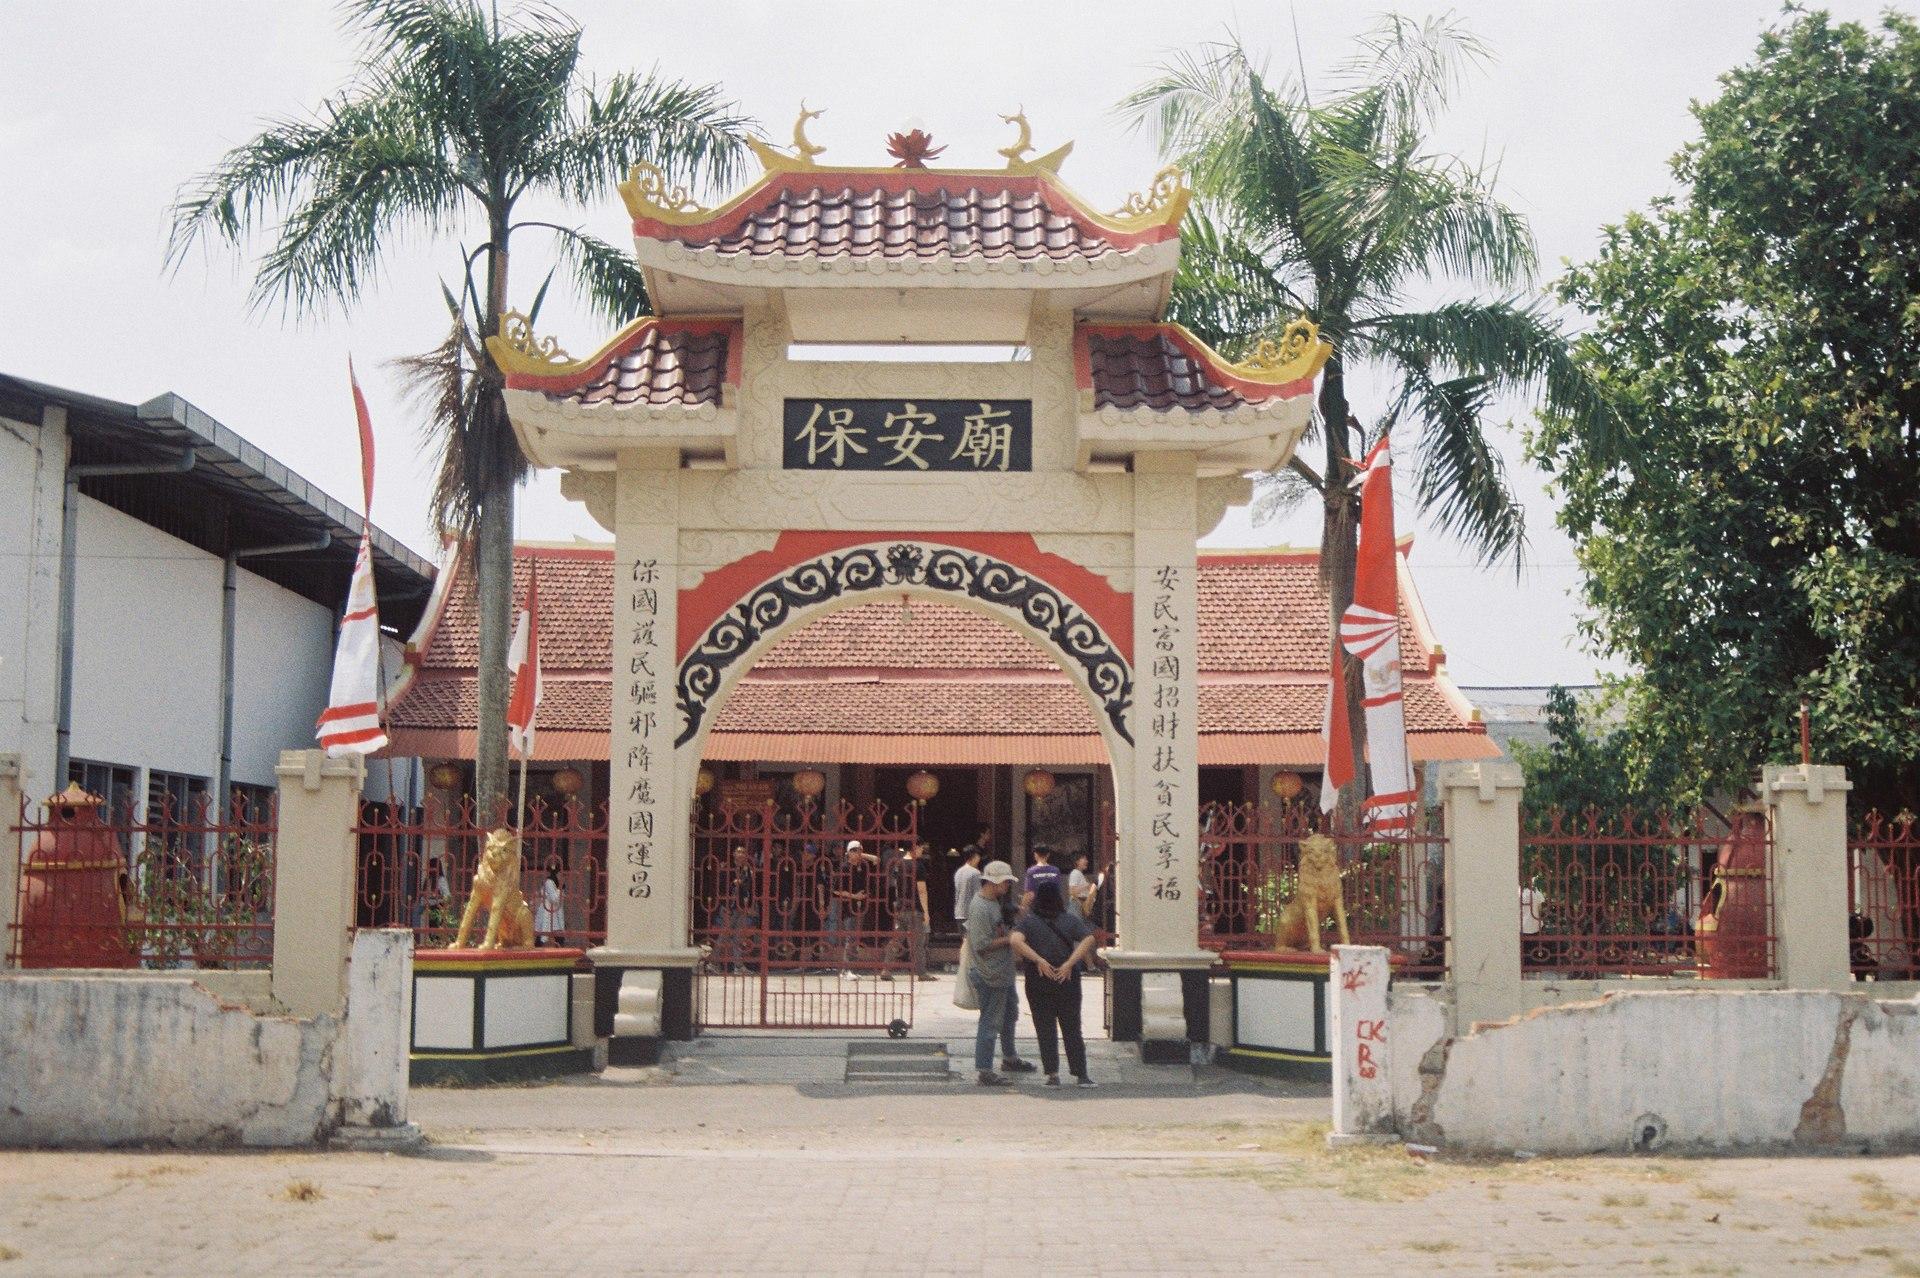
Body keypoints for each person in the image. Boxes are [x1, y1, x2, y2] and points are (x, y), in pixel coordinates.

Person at [1010, 878, 1099, 1087]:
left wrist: (1038, 959)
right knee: (1072, 1027)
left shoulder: (1029, 922)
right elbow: (1089, 939)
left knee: (1045, 1027)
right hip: (1067, 977)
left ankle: (1052, 1074)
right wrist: (1069, 963)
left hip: (1039, 977)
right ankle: (1081, 1074)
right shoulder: (1068, 920)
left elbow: (1015, 940)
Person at [966, 860, 1038, 1086]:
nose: (1008, 886)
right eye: (1006, 882)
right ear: (995, 882)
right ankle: (984, 1069)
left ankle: (1009, 1057)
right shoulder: (980, 907)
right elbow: (981, 944)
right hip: (990, 973)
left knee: (1009, 1015)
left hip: (1002, 971)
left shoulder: (994, 903)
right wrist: (1011, 940)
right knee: (990, 1021)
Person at [827, 839, 878, 976]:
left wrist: (862, 854)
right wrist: (854, 896)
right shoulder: (844, 868)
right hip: (848, 906)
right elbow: (836, 890)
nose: (857, 853)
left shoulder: (863, 866)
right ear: (848, 853)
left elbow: (876, 860)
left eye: (859, 850)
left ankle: (850, 968)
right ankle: (846, 969)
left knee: (856, 938)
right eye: (853, 851)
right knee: (851, 937)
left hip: (860, 907)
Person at [885, 840, 932, 982]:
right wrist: (926, 912)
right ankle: (922, 973)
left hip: (900, 907)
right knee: (918, 942)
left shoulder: (897, 864)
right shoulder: (918, 866)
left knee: (896, 940)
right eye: (920, 848)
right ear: (914, 848)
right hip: (914, 908)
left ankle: (886, 969)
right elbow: (922, 891)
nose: (922, 851)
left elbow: (895, 887)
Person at [953, 843, 984, 932]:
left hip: (959, 913)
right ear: (974, 856)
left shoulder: (958, 872)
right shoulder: (975, 873)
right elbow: (978, 895)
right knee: (972, 943)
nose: (979, 859)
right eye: (978, 856)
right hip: (971, 914)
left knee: (965, 941)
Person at [533, 863, 564, 947]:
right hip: (548, 911)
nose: (561, 876)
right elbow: (553, 899)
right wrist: (560, 890)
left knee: (557, 933)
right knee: (544, 931)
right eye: (559, 874)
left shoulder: (555, 883)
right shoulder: (549, 882)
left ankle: (560, 953)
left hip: (554, 912)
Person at [1067, 853, 1094, 919]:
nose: (1086, 861)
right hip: (1076, 906)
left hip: (1080, 905)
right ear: (1077, 861)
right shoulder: (1075, 873)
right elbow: (1072, 891)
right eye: (1084, 859)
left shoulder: (1079, 873)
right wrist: (1087, 886)